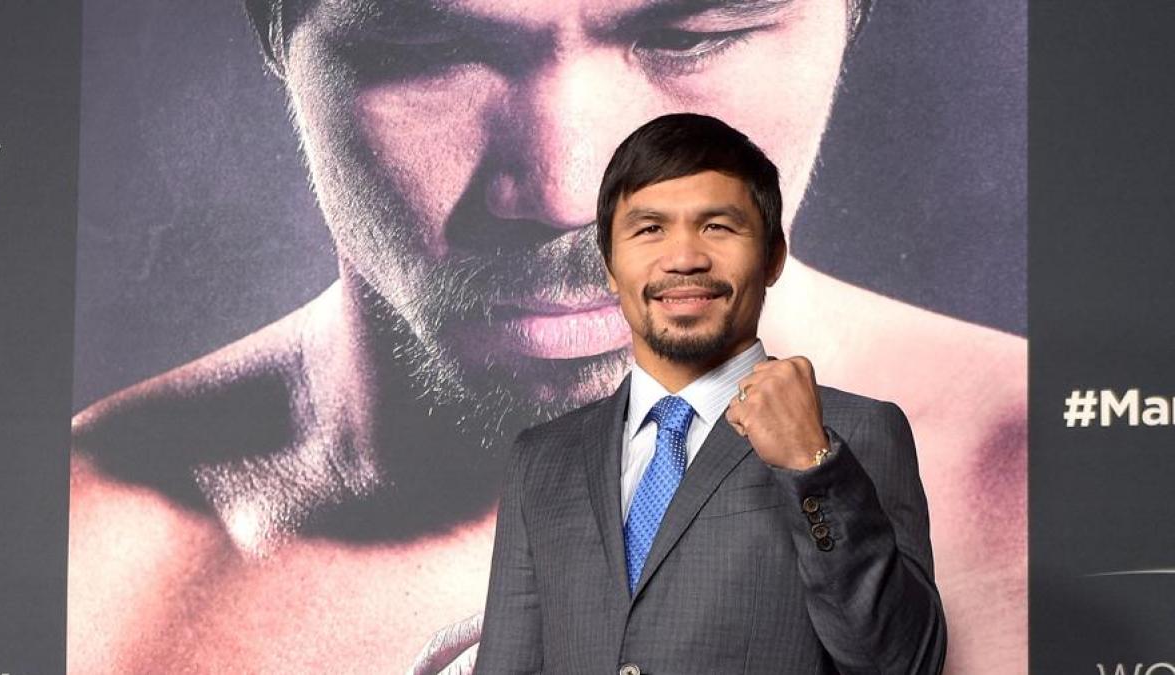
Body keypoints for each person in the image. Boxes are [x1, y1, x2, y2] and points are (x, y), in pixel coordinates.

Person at [68, 0, 1021, 672]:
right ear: (274, 33)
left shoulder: (1027, 485)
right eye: (425, 45)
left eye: (690, 37)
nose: (570, 190)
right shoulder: (85, 557)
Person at [474, 112, 947, 674]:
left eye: (718, 227)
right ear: (609, 265)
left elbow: (903, 665)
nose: (683, 259)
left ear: (773, 257)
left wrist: (811, 466)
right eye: (649, 229)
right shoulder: (542, 458)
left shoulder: (858, 432)